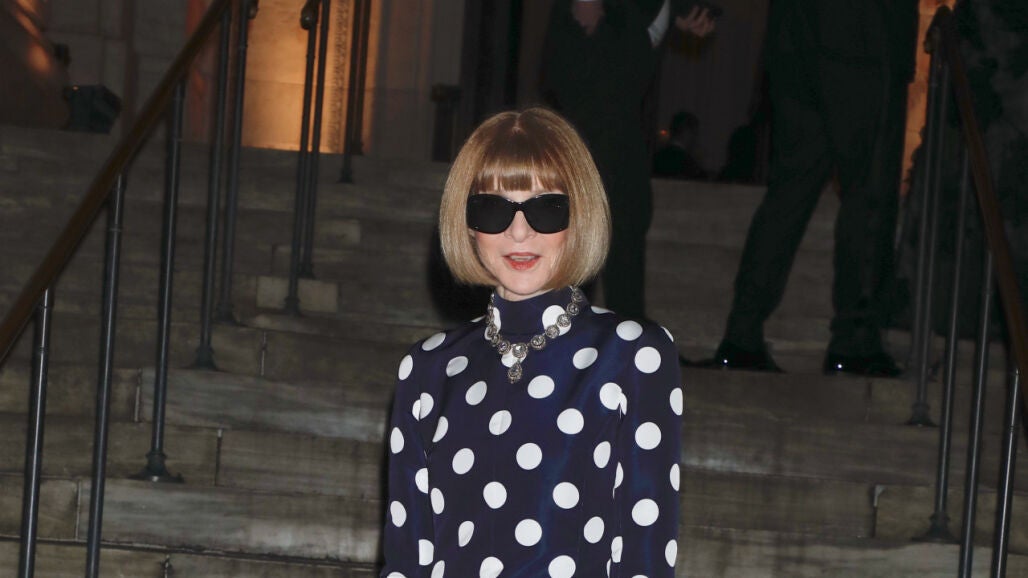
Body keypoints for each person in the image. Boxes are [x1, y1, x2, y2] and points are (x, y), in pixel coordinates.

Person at [380, 108, 683, 577]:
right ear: (467, 224)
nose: (519, 232)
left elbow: (646, 553)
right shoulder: (427, 368)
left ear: (579, 216)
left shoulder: (633, 354)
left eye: (546, 208)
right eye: (492, 209)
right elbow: (406, 559)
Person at [708, 0, 917, 376]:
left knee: (790, 189)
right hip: (865, 36)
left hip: (797, 34)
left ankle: (742, 331)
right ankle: (855, 339)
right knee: (869, 192)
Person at [542, 0, 715, 320]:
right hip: (599, 115)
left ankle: (612, 336)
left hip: (617, 118)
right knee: (597, 233)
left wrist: (676, 15)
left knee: (622, 230)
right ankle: (570, 334)